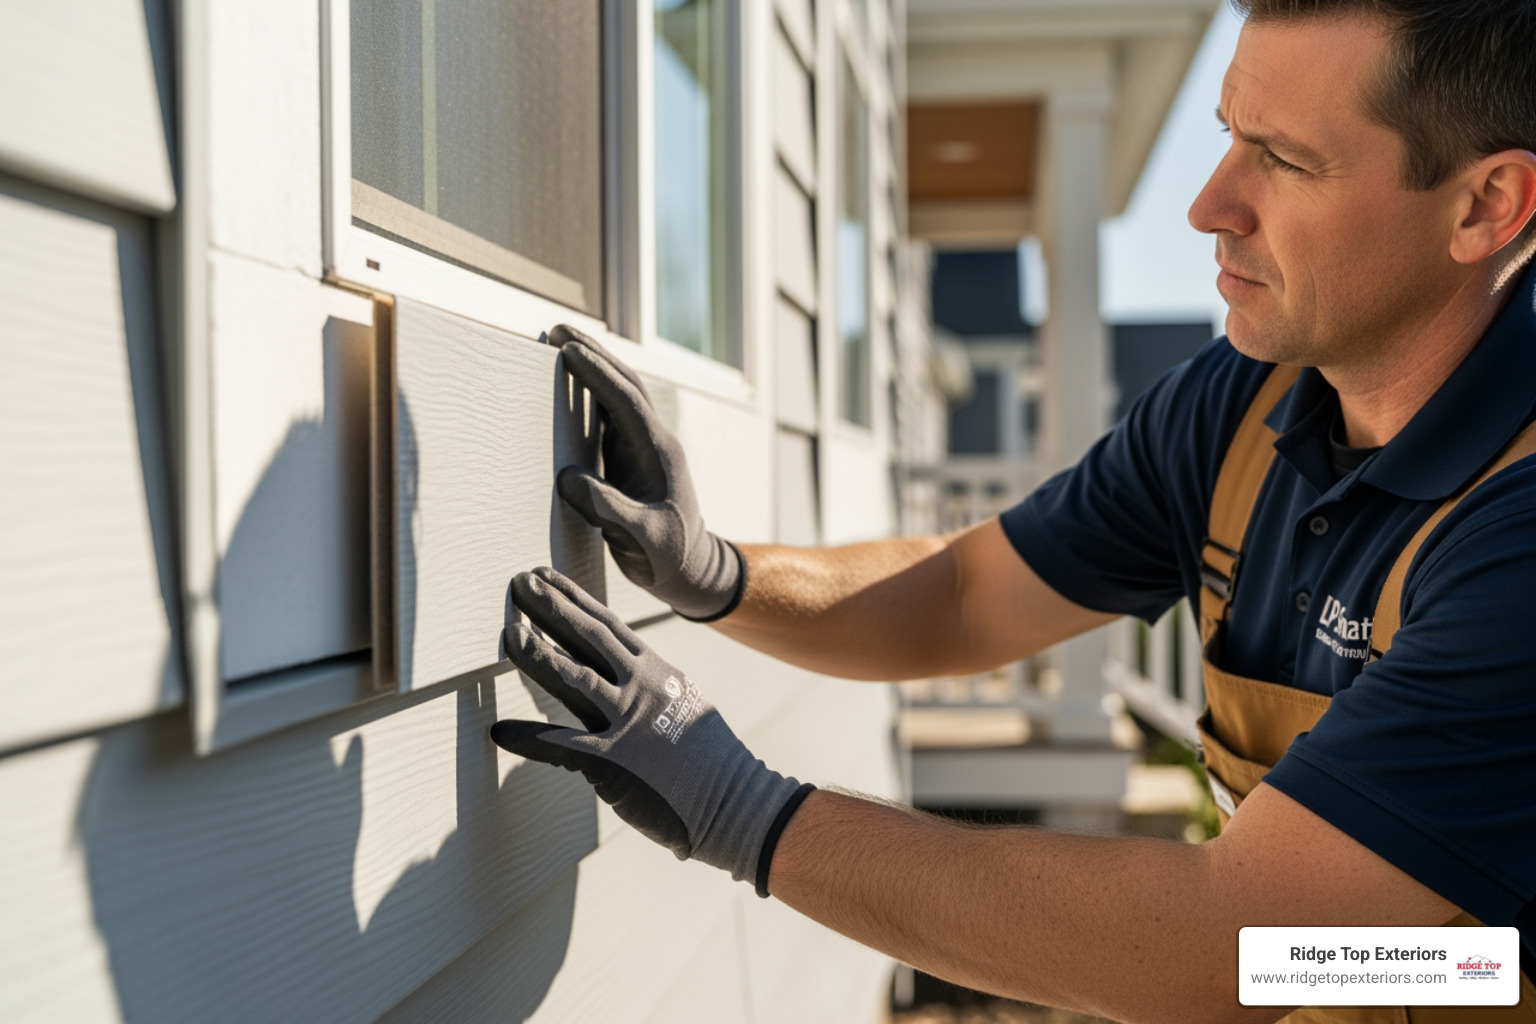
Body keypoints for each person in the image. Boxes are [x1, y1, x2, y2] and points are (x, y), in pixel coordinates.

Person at [491, 1, 1536, 1020]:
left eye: (1287, 160)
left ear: (1486, 204)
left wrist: (745, 812)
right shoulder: (1241, 410)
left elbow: (1237, 949)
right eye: (1229, 136)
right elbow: (965, 593)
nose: (1210, 202)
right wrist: (719, 573)